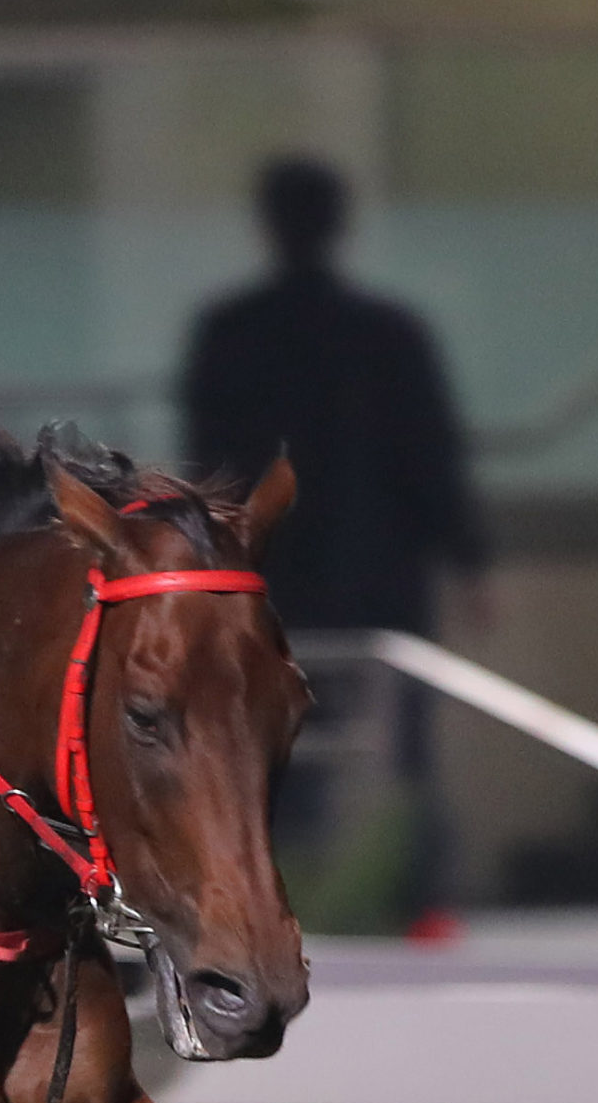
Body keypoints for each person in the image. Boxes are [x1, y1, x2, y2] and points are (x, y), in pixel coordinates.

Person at [180, 157, 487, 921]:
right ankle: (412, 897)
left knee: (272, 738)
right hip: (379, 567)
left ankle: (274, 891)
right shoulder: (387, 335)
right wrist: (469, 558)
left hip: (270, 570)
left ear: (266, 226)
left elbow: (207, 465)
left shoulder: (230, 334)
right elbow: (428, 455)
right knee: (402, 743)